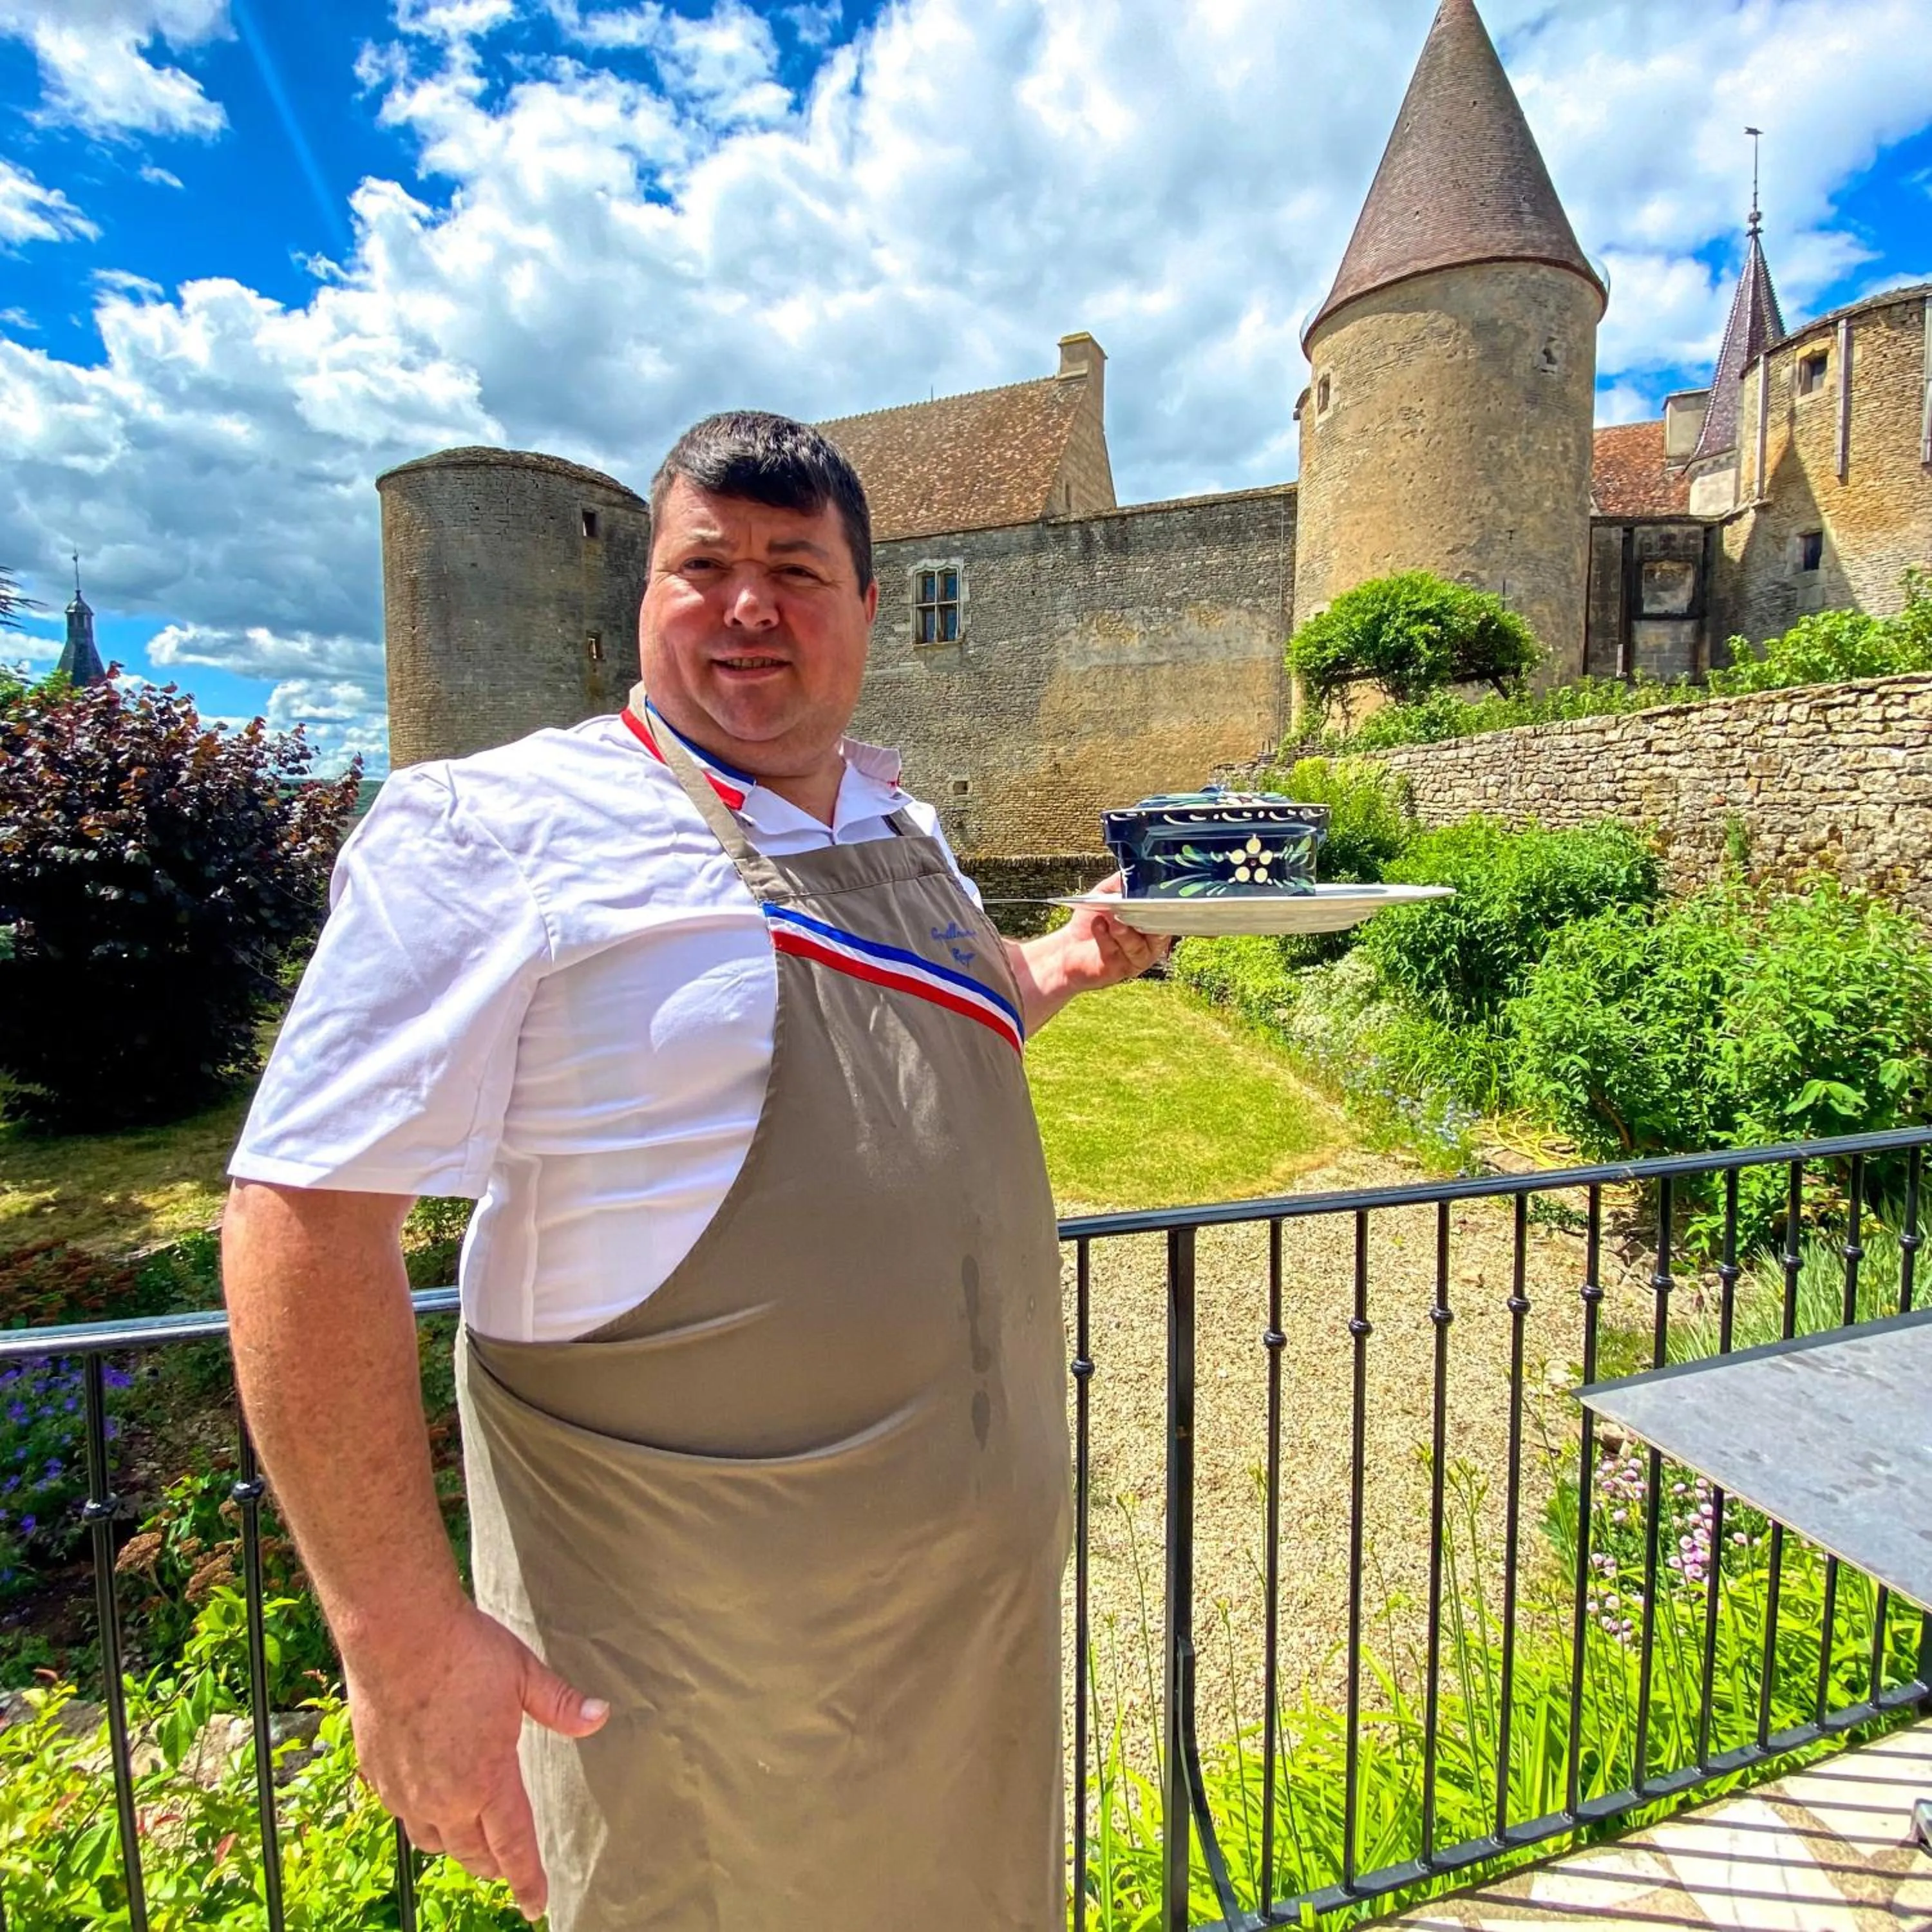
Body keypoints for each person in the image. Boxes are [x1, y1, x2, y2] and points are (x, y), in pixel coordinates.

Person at [222, 411, 1168, 1931]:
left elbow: (936, 1021)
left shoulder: (902, 826)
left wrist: (1061, 961)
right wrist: (400, 1642)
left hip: (971, 1643)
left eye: (797, 568)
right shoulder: (499, 828)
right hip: (706, 1668)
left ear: (870, 608)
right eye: (703, 565)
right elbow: (300, 1220)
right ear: (640, 598)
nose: (748, 606)